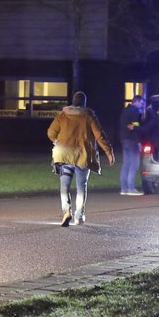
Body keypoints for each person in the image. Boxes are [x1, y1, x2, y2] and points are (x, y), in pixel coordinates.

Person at [48, 91, 115, 227]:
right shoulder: (88, 116)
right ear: (84, 103)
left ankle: (66, 211)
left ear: (73, 101)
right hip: (83, 156)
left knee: (64, 186)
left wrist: (57, 141)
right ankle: (79, 216)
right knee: (81, 187)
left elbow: (51, 132)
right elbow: (99, 135)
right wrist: (109, 152)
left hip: (64, 155)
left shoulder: (62, 115)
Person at [117, 94, 146, 195]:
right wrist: (138, 141)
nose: (142, 106)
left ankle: (123, 188)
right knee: (134, 164)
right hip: (132, 140)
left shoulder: (125, 110)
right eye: (141, 103)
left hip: (124, 139)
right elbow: (135, 127)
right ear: (137, 102)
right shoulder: (135, 111)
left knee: (126, 164)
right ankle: (131, 188)